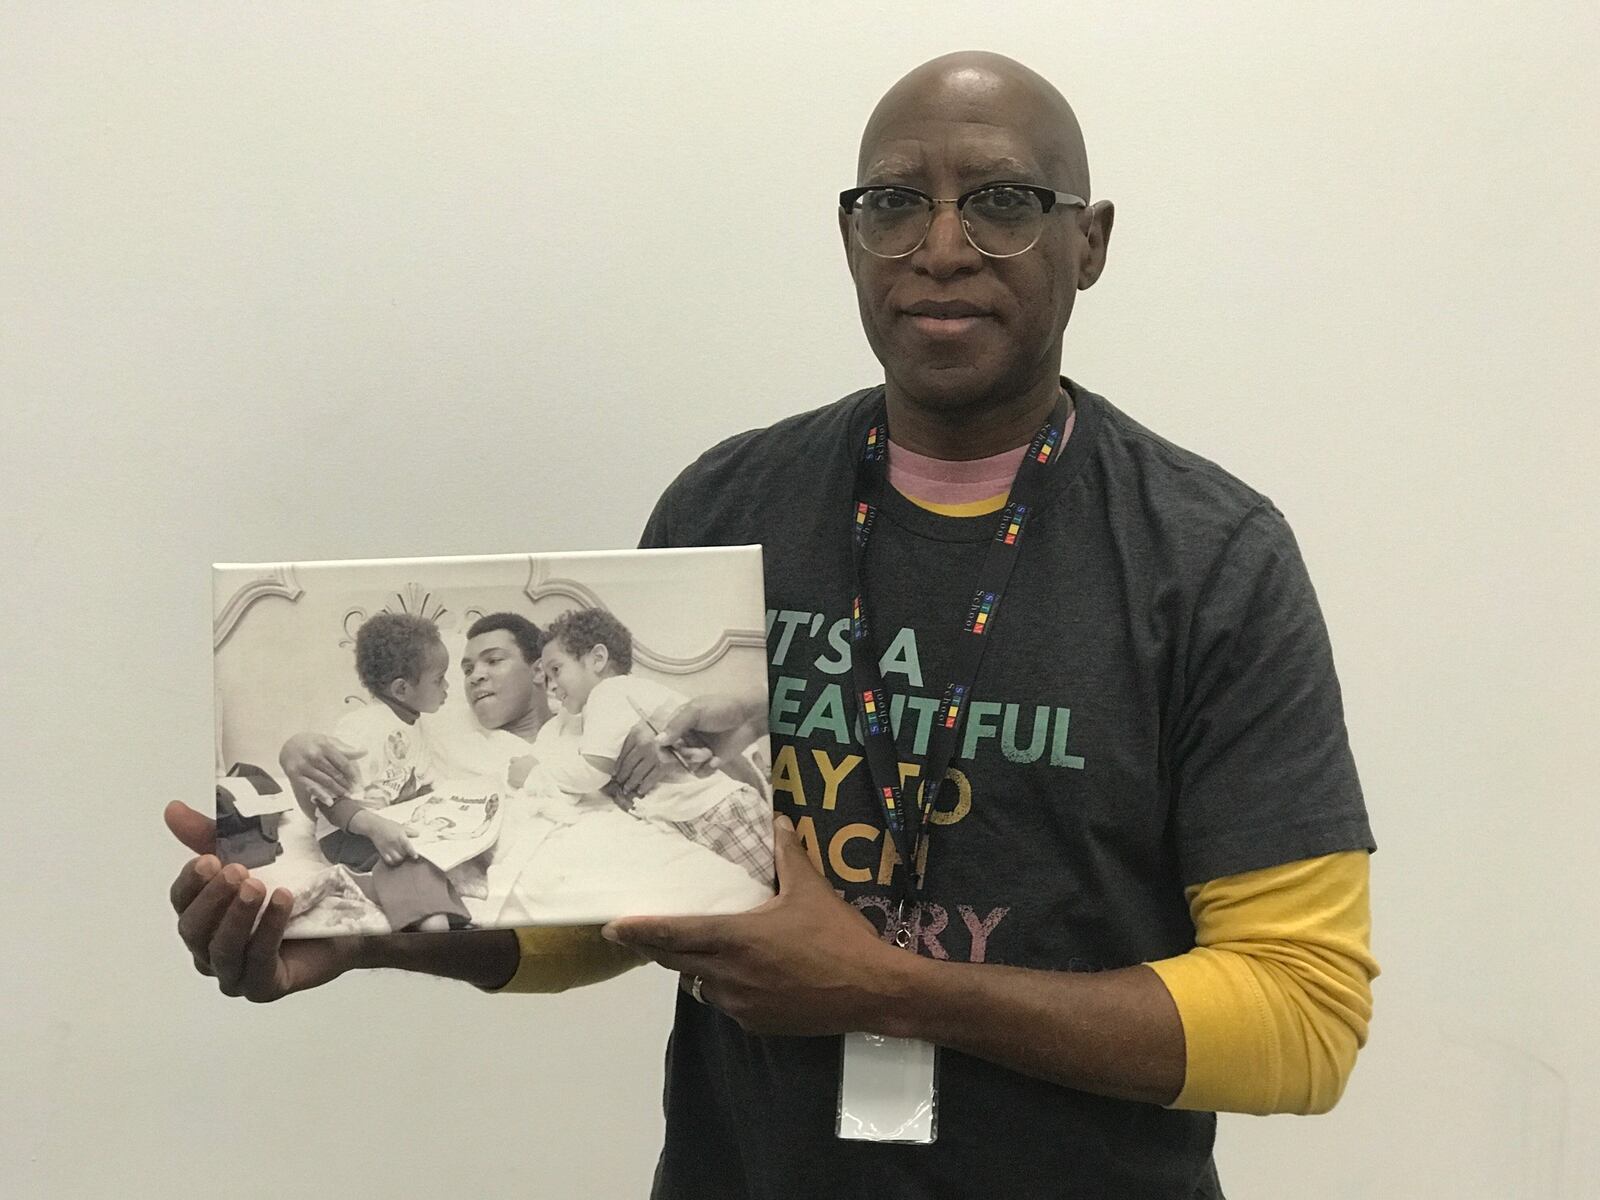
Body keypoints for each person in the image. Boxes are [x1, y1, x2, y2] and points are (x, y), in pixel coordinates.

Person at [168, 51, 1377, 1198]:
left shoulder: (1213, 561)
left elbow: (1302, 1013)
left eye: (1002, 201)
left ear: (1091, 241)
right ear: (848, 238)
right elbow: (616, 894)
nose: (941, 247)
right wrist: (370, 936)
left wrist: (885, 988)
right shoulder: (727, 505)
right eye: (894, 203)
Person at [534, 607, 772, 884]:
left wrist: (538, 771)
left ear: (597, 659)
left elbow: (592, 772)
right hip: (704, 813)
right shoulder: (627, 693)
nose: (550, 686)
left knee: (777, 893)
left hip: (717, 813)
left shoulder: (606, 695)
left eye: (556, 670)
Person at [303, 611, 468, 932]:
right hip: (347, 833)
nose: (447, 687)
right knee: (410, 860)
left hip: (392, 821)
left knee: (439, 849)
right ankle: (426, 919)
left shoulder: (415, 723)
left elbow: (413, 782)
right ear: (402, 689)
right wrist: (375, 827)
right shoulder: (363, 728)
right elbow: (326, 800)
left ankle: (424, 900)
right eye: (439, 679)